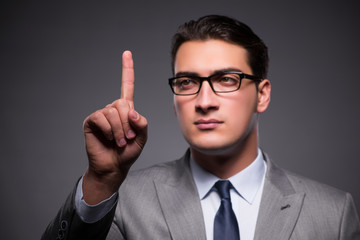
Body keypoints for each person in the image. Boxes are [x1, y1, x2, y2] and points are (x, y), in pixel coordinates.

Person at [42, 15, 360, 240]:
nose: (204, 100)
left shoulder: (333, 213)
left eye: (226, 79)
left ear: (262, 94)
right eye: (187, 82)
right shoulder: (121, 201)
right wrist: (101, 181)